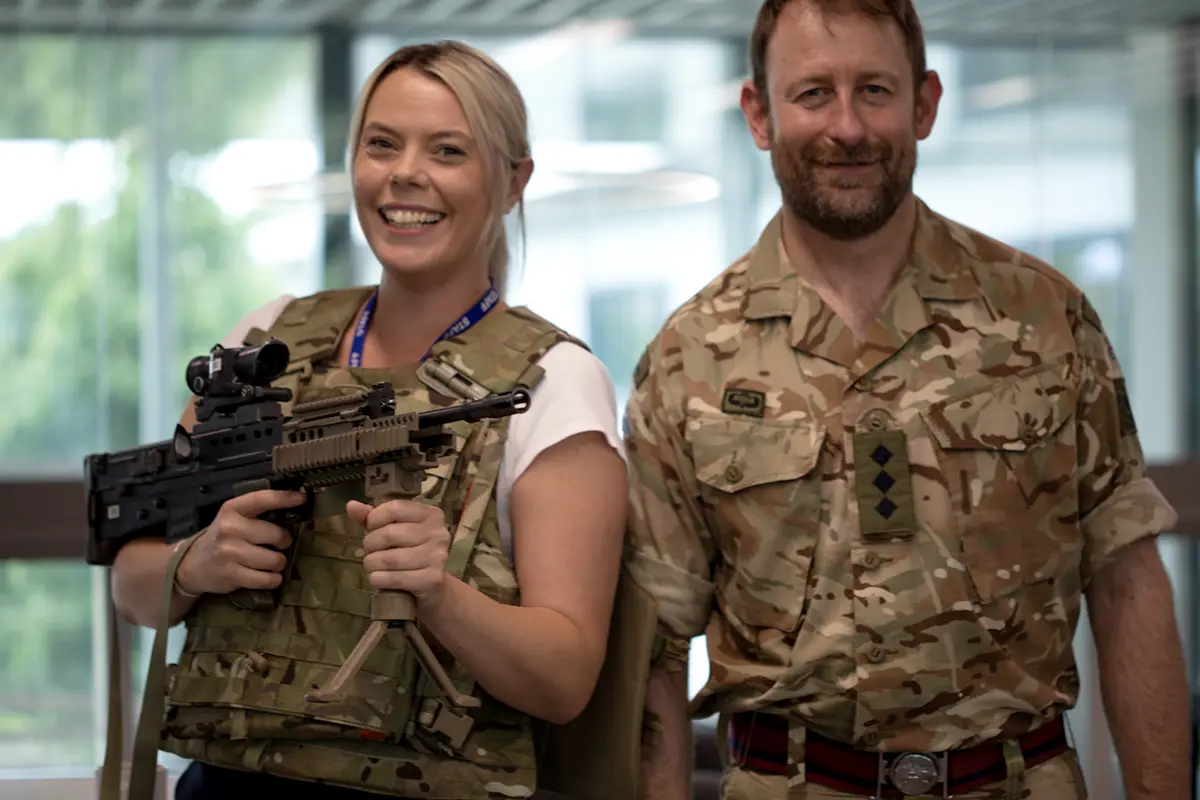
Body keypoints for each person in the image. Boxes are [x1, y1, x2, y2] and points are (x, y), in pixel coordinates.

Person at [622, 1, 1191, 799]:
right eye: (813, 93)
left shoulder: (1042, 319)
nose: (847, 127)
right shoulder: (689, 358)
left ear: (924, 106)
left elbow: (1128, 581)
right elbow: (654, 647)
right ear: (759, 114)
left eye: (876, 92)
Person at [109, 40, 628, 800]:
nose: (405, 173)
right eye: (381, 144)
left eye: (449, 151)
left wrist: (441, 595)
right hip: (228, 783)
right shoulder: (268, 341)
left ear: (513, 182)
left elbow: (564, 680)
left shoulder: (552, 383)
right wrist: (200, 561)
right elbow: (131, 584)